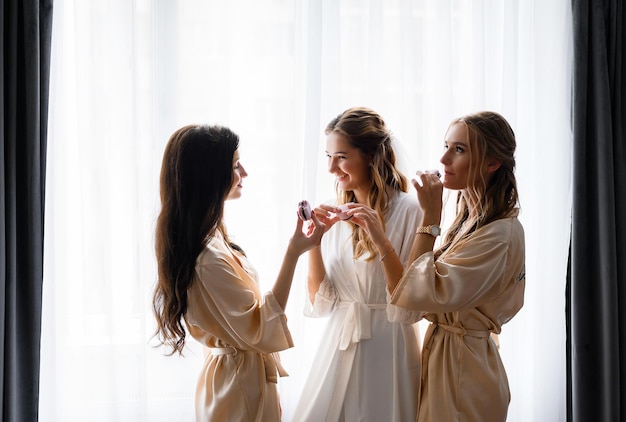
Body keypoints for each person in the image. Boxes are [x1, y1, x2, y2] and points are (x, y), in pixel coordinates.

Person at [152, 124, 325, 422]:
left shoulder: (212, 240)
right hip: (237, 386)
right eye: (235, 165)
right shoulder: (207, 258)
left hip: (237, 376)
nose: (244, 172)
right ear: (211, 174)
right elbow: (259, 327)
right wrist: (294, 251)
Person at [389, 111, 526, 422]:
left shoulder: (499, 234)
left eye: (459, 149)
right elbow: (414, 291)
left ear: (492, 163)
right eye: (446, 146)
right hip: (449, 358)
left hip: (466, 372)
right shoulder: (471, 224)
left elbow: (421, 293)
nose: (443, 158)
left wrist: (430, 217)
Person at [293, 107, 423, 421]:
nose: (331, 168)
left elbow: (411, 304)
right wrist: (315, 242)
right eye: (328, 156)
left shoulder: (410, 212)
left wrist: (380, 238)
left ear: (370, 156)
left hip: (388, 347)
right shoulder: (337, 215)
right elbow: (322, 302)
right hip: (338, 345)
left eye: (340, 156)